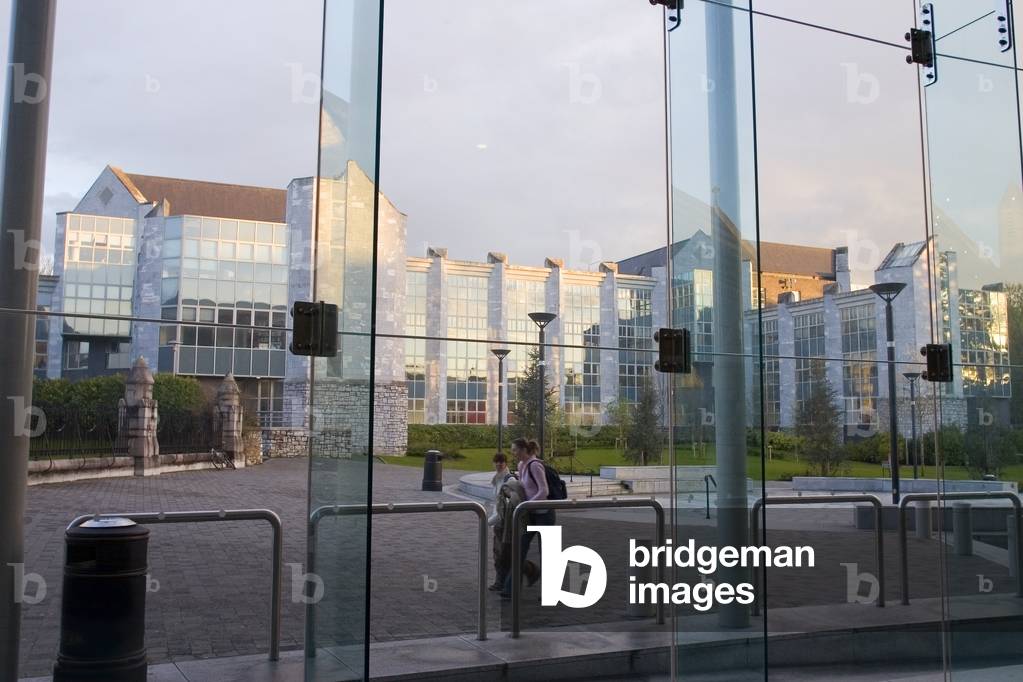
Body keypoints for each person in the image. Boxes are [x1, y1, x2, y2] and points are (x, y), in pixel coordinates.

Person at [501, 437, 554, 598]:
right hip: (530, 514)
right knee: (519, 549)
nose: (513, 453)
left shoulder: (535, 465)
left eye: (515, 450)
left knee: (547, 554)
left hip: (544, 515)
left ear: (524, 450)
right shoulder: (521, 465)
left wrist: (527, 504)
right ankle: (510, 589)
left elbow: (544, 491)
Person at [487, 453, 512, 590]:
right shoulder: (496, 479)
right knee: (500, 554)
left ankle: (502, 583)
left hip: (503, 523)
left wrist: (487, 522)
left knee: (502, 554)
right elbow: (496, 504)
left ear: (506, 463)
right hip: (497, 522)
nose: (499, 464)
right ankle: (501, 582)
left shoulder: (508, 480)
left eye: (501, 462)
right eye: (496, 462)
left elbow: (503, 508)